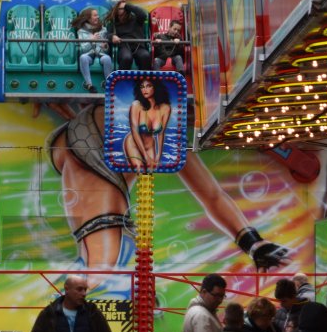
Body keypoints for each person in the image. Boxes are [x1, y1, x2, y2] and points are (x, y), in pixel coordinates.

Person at [41, 102, 291, 272]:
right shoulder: (107, 141)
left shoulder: (169, 140)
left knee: (103, 259)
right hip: (85, 146)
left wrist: (253, 243)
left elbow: (213, 196)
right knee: (102, 260)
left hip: (90, 140)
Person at [125, 77, 172, 173]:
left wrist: (159, 155)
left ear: (156, 88)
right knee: (141, 171)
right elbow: (135, 131)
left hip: (150, 145)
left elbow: (161, 133)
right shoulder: (136, 105)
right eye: (142, 87)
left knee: (150, 173)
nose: (144, 90)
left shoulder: (165, 108)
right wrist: (145, 156)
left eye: (148, 86)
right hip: (134, 143)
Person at [72, 8, 112, 93]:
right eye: (95, 15)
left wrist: (105, 46)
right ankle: (89, 85)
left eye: (97, 15)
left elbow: (106, 50)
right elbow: (83, 49)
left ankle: (109, 85)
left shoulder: (103, 29)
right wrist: (91, 40)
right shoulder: (81, 31)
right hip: (89, 54)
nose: (97, 17)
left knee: (107, 58)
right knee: (83, 57)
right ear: (88, 18)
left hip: (100, 54)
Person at [106, 0, 151, 70]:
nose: (121, 16)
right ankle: (122, 80)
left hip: (138, 45)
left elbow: (143, 15)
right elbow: (108, 34)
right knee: (126, 58)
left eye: (123, 13)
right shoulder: (114, 21)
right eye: (119, 14)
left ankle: (143, 80)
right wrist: (112, 36)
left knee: (145, 56)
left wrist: (127, 6)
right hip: (123, 46)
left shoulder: (136, 19)